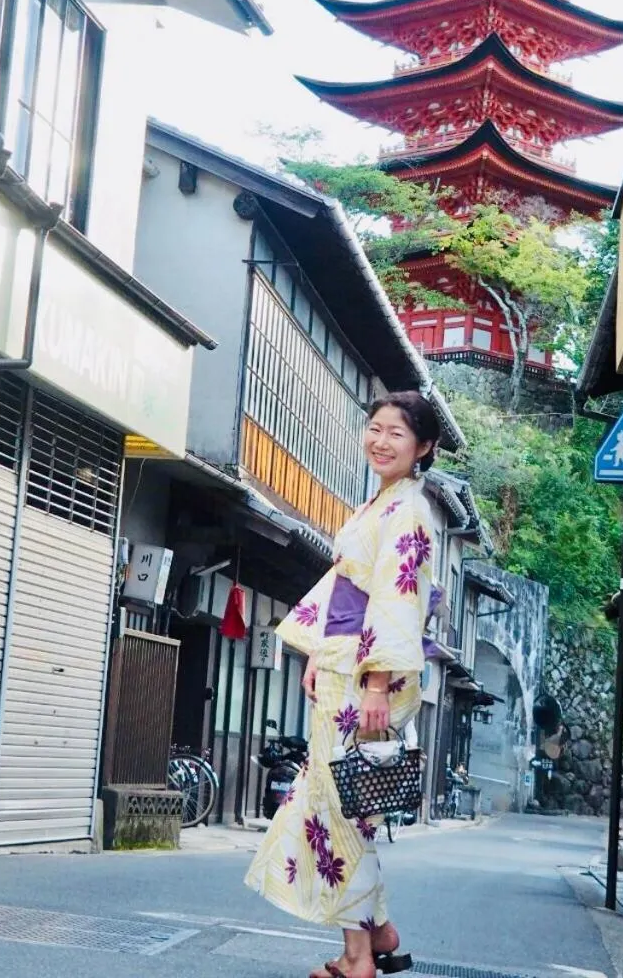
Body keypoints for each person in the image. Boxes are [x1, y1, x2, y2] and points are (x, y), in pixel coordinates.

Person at [245, 390, 440, 978]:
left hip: (367, 677)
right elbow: (342, 584)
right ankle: (378, 933)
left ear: (424, 447)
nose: (379, 441)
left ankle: (360, 957)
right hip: (344, 663)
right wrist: (317, 651)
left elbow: (396, 597)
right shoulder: (378, 503)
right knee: (333, 802)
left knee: (339, 810)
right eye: (374, 428)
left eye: (396, 434)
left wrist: (377, 682)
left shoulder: (408, 510)